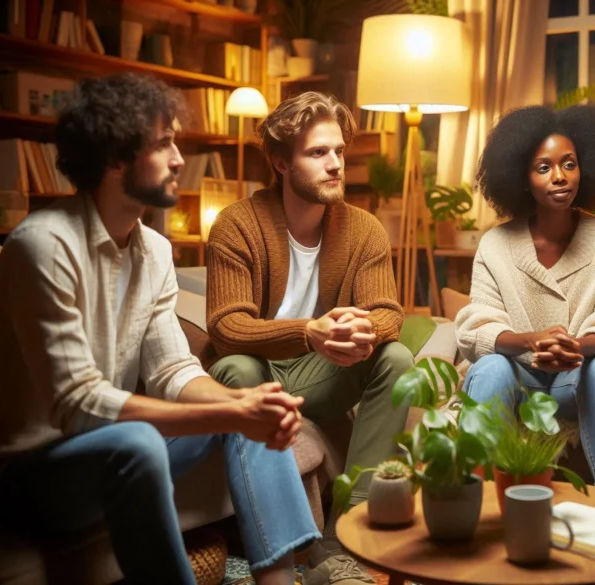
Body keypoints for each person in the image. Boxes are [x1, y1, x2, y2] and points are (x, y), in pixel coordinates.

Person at [0, 73, 319, 585]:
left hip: (104, 452)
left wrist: (243, 408)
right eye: (163, 144)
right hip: (16, 474)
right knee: (142, 442)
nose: (178, 160)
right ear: (114, 158)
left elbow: (171, 368)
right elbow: (77, 402)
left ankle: (280, 580)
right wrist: (230, 411)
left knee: (250, 401)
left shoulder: (154, 251)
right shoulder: (45, 245)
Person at [205, 91, 413, 585]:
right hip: (257, 366)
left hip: (323, 373)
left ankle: (353, 527)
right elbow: (226, 327)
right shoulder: (237, 224)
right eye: (318, 153)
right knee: (233, 368)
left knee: (398, 359)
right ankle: (279, 536)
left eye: (338, 151)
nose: (335, 164)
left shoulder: (363, 229)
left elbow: (388, 312)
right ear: (280, 162)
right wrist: (310, 332)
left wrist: (362, 329)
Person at [455, 104, 595, 489]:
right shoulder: (496, 244)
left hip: (574, 381)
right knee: (490, 368)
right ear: (522, 177)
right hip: (516, 379)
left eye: (569, 164)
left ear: (585, 168)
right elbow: (477, 328)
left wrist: (574, 347)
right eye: (544, 167)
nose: (560, 177)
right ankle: (479, 498)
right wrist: (532, 340)